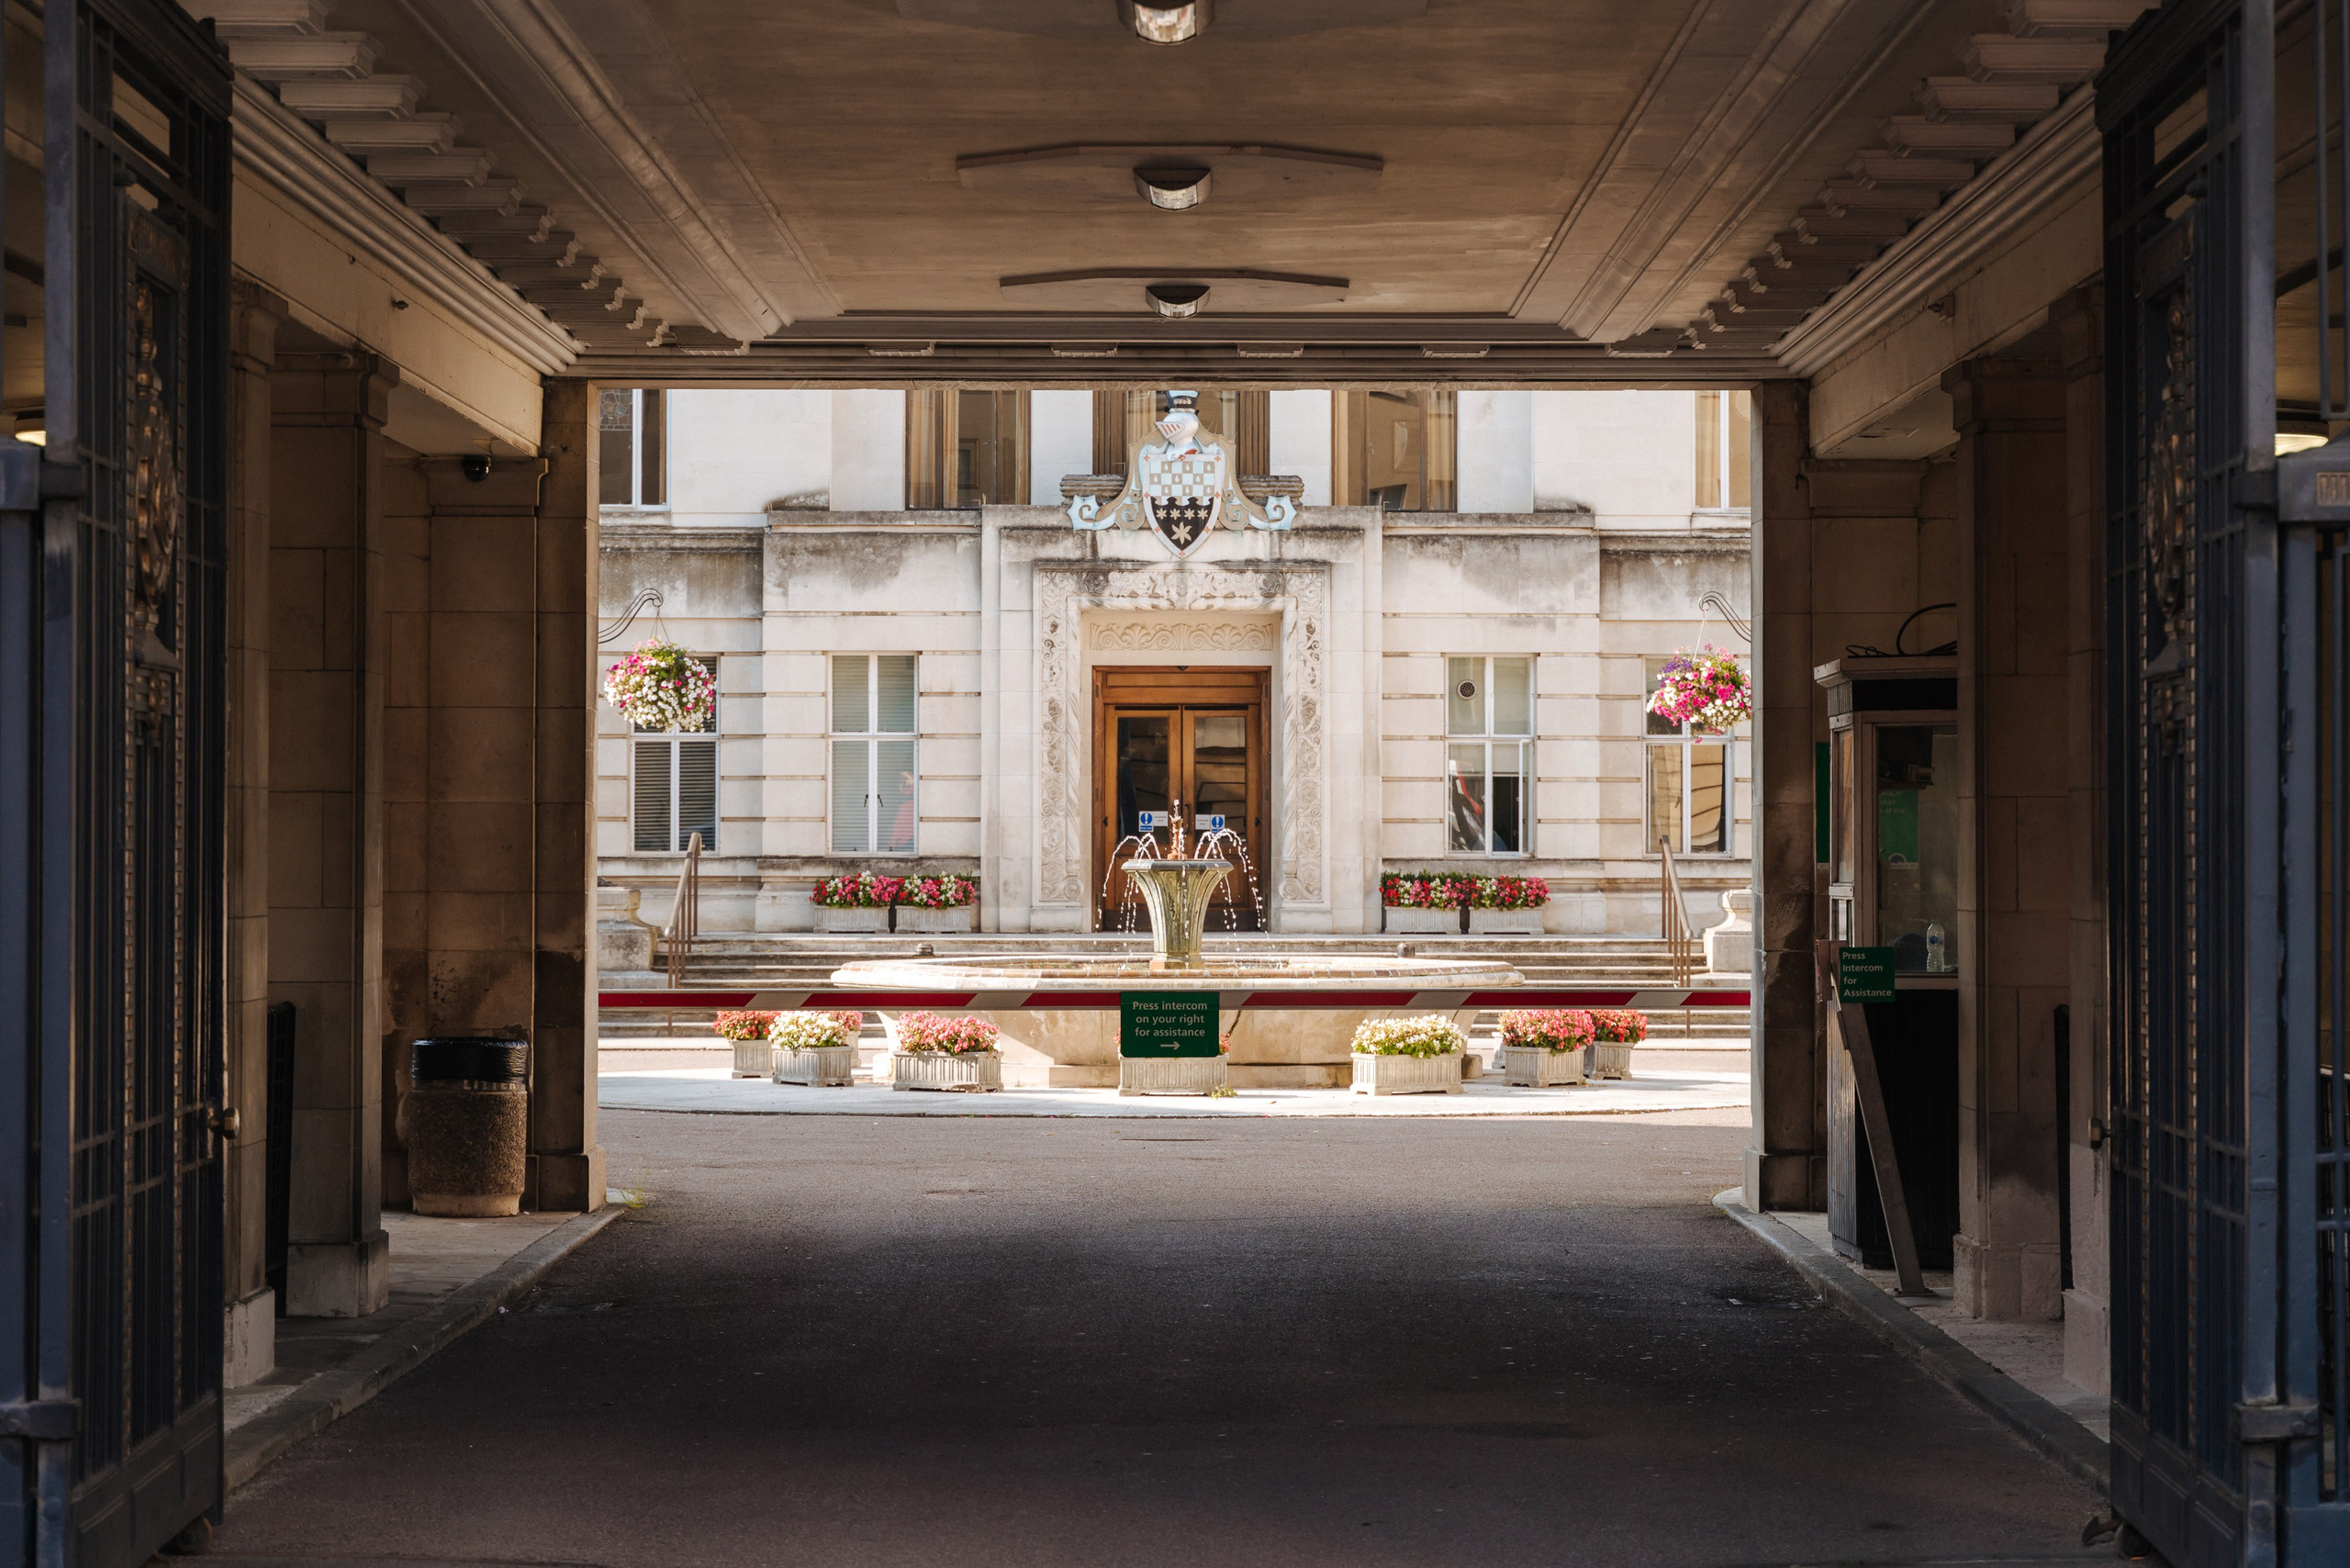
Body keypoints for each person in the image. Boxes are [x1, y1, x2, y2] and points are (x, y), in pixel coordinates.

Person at [882, 769, 917, 854]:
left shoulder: (910, 805)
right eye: (899, 781)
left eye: (905, 780)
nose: (901, 783)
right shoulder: (903, 806)